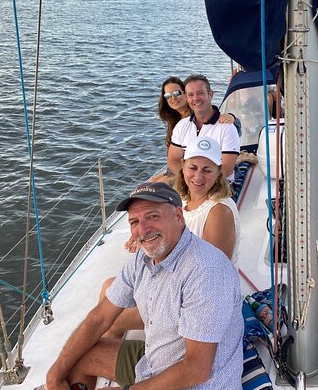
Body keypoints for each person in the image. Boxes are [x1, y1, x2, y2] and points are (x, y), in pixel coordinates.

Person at [33, 182, 244, 390]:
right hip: (157, 362)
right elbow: (100, 318)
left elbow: (197, 370)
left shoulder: (205, 271)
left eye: (152, 217)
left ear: (178, 216)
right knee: (82, 355)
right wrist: (54, 377)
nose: (142, 230)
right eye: (134, 221)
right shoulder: (143, 259)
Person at [102, 137, 240, 338]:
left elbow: (211, 279)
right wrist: (142, 235)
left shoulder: (219, 212)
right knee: (109, 287)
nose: (198, 177)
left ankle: (114, 362)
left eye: (207, 170)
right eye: (193, 167)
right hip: (175, 282)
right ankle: (113, 358)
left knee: (111, 319)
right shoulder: (183, 199)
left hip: (196, 301)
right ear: (183, 167)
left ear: (219, 172)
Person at [156, 76, 237, 182]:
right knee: (146, 190)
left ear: (210, 94)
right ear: (187, 97)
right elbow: (173, 160)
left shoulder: (226, 126)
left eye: (200, 93)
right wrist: (188, 180)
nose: (173, 98)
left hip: (216, 183)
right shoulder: (180, 124)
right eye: (167, 95)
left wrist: (233, 117)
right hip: (186, 177)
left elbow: (226, 169)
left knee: (159, 186)